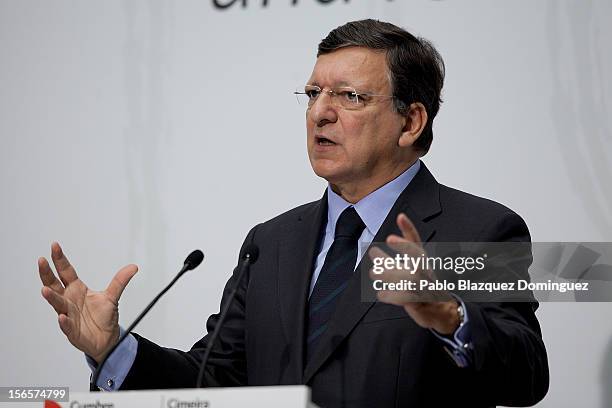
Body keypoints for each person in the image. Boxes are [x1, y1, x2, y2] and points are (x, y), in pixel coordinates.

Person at [38, 19, 549, 407]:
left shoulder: (482, 229)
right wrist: (114, 351)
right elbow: (217, 381)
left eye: (349, 96)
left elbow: (526, 375)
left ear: (411, 120)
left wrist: (449, 317)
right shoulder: (272, 242)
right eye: (312, 94)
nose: (320, 112)